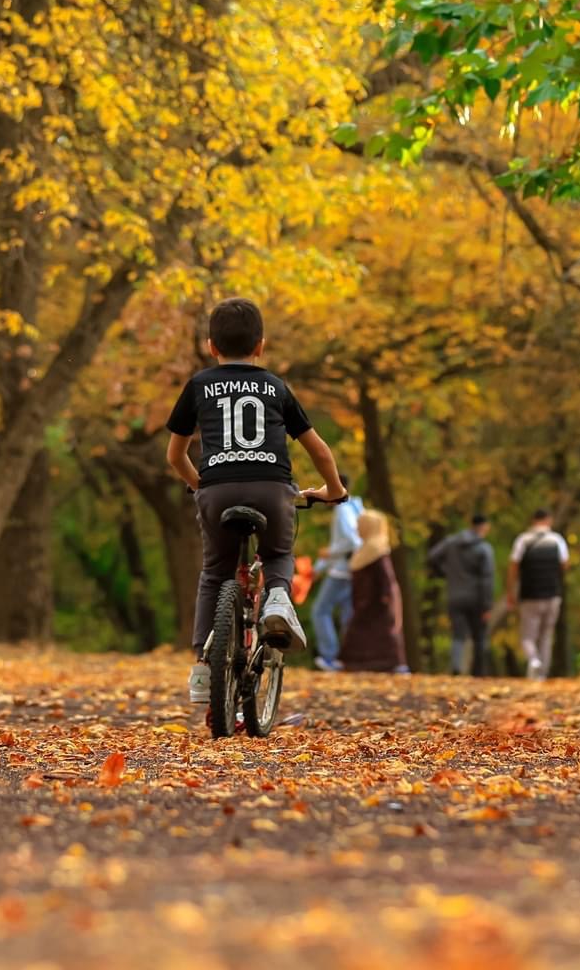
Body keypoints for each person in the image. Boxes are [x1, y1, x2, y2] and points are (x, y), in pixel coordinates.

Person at [165, 297, 344, 705]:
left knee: (214, 572)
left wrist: (200, 487)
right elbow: (318, 450)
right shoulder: (276, 387)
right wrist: (333, 490)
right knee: (278, 552)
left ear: (212, 346)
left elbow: (175, 455)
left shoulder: (198, 385)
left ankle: (203, 667)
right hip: (271, 487)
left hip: (217, 489)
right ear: (260, 346)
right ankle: (277, 597)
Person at [340, 509, 408, 673]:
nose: (357, 529)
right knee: (361, 631)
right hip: (365, 601)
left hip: (378, 601)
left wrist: (386, 596)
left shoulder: (377, 549)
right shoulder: (364, 549)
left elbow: (386, 577)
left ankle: (393, 664)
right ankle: (358, 663)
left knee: (381, 632)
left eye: (360, 525)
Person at [506, 509, 570, 680]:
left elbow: (513, 567)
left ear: (533, 520)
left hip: (530, 594)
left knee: (527, 636)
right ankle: (542, 674)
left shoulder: (523, 541)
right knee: (546, 635)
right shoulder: (557, 540)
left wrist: (511, 591)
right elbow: (564, 565)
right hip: (552, 594)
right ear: (548, 520)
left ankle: (534, 660)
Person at [429, 514, 495, 676]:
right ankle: (478, 673)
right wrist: (487, 605)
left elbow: (432, 557)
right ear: (484, 527)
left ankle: (456, 667)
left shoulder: (451, 542)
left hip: (454, 595)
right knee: (479, 636)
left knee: (458, 634)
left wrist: (445, 573)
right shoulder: (484, 548)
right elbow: (487, 579)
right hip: (476, 598)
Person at [308, 481, 363, 672]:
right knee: (348, 613)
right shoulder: (356, 506)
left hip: (341, 571)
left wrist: (329, 555)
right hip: (352, 568)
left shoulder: (343, 510)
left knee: (320, 610)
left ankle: (329, 656)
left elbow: (350, 541)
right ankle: (350, 657)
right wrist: (319, 568)